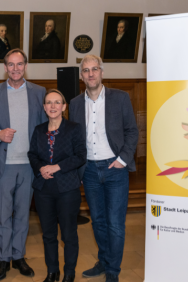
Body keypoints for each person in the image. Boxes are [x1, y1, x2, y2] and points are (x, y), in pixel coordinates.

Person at [69, 54, 138, 282]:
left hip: (115, 169)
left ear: (102, 72)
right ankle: (104, 260)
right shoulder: (76, 103)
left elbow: (131, 131)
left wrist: (123, 159)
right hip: (89, 171)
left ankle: (113, 271)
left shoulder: (121, 98)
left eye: (94, 69)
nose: (91, 74)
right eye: (86, 70)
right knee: (98, 221)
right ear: (81, 76)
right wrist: (77, 167)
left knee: (115, 224)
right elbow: (75, 139)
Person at [0, 48, 48, 281]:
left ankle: (19, 256)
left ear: (25, 66)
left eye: (19, 64)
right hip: (3, 165)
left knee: (23, 214)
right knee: (3, 215)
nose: (15, 68)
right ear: (5, 67)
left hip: (28, 165)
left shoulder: (39, 92)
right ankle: (3, 260)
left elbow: (44, 129)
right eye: (10, 64)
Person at [28, 89, 86, 282]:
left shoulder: (74, 128)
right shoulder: (38, 130)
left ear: (64, 106)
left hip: (67, 189)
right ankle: (52, 271)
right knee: (48, 235)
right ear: (44, 107)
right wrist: (41, 168)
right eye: (49, 102)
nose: (53, 106)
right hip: (43, 190)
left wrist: (56, 167)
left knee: (68, 235)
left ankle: (69, 273)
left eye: (57, 102)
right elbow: (32, 154)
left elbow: (80, 156)